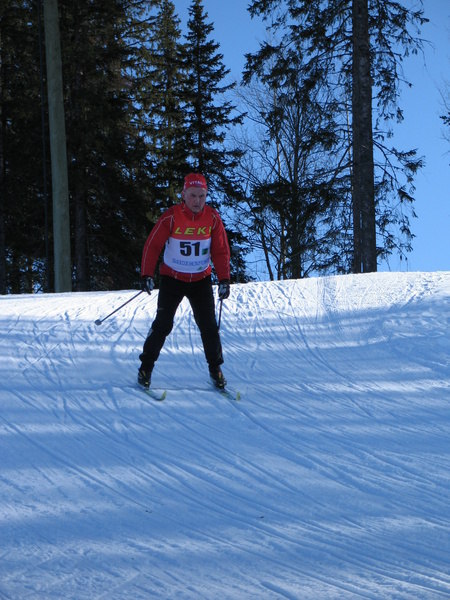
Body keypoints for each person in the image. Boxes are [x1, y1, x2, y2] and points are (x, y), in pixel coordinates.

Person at [138, 173, 231, 390]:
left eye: (202, 196)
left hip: (201, 280)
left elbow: (220, 250)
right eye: (192, 196)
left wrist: (224, 279)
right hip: (172, 278)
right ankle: (145, 367)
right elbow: (153, 245)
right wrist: (146, 274)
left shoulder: (212, 218)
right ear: (183, 195)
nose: (197, 201)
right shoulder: (171, 217)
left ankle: (215, 369)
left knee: (209, 326)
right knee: (163, 324)